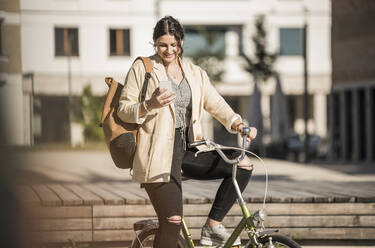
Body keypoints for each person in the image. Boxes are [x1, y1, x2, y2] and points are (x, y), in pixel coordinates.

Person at [118, 16, 257, 248]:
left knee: (242, 165)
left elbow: (216, 103)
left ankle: (212, 226)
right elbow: (124, 110)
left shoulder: (194, 72)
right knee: (172, 221)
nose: (169, 50)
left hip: (190, 149)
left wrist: (238, 124)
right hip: (158, 155)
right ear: (155, 43)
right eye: (163, 44)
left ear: (181, 42)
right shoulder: (143, 68)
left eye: (174, 44)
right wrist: (149, 104)